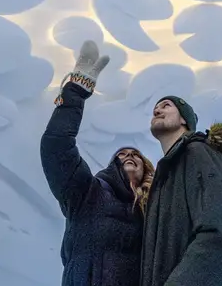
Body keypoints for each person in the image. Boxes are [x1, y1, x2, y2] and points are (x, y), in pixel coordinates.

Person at [39, 40, 155, 286]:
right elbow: (57, 147)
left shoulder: (156, 206)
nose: (129, 156)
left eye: (136, 155)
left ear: (146, 167)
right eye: (121, 155)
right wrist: (75, 92)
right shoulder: (87, 192)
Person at [140, 95, 222, 286]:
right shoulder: (166, 176)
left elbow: (219, 237)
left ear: (184, 119)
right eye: (156, 108)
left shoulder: (199, 151)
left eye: (166, 106)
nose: (157, 110)